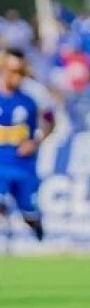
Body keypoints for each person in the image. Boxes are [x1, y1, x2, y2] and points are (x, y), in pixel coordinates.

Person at [0, 49, 49, 243]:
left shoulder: (33, 95)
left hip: (24, 166)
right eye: (11, 70)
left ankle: (38, 231)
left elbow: (49, 119)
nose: (15, 76)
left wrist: (36, 140)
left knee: (29, 212)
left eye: (20, 71)